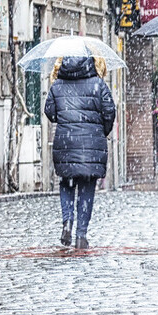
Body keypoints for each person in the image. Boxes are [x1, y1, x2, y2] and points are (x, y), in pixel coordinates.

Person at [44, 56, 116, 250]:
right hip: (91, 144)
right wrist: (102, 131)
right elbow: (110, 111)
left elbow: (49, 111)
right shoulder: (98, 84)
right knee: (87, 187)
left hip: (65, 142)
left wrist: (65, 118)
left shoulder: (57, 84)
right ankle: (81, 235)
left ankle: (67, 221)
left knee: (67, 184)